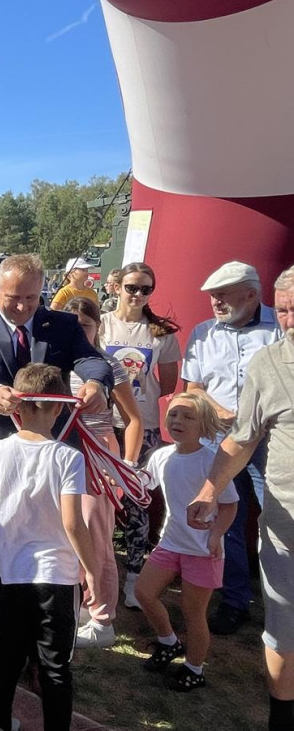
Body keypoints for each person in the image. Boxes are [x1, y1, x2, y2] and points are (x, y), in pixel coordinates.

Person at [0, 253, 112, 677]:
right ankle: (0, 640)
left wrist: (95, 381)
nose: (24, 307)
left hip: (54, 447)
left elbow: (92, 358)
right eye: (13, 298)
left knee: (56, 541)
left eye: (31, 297)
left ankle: (50, 648)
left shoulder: (60, 324)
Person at [188, 264, 294, 731]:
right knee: (284, 620)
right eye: (287, 310)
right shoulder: (268, 362)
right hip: (279, 506)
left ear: (252, 297)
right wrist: (209, 490)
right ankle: (282, 717)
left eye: (225, 295)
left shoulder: (267, 336)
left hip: (258, 462)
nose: (290, 320)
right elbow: (240, 437)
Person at [0, 363, 100, 731]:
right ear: (59, 407)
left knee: (9, 654)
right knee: (55, 665)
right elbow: (73, 522)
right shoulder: (68, 458)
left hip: (11, 574)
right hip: (57, 578)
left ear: (18, 407)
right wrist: (90, 568)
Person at [182, 261, 279, 636]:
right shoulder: (204, 334)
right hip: (219, 442)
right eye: (212, 296)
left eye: (223, 295)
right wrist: (219, 410)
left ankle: (279, 603)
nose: (215, 302)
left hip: (270, 442)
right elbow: (192, 387)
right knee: (227, 522)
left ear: (251, 295)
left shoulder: (280, 331)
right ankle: (235, 601)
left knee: (279, 520)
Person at [135, 393, 238, 691]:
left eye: (188, 416)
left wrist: (216, 536)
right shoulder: (161, 456)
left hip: (203, 551)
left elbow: (231, 505)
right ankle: (168, 642)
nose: (178, 421)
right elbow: (143, 483)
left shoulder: (212, 461)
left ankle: (194, 669)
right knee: (143, 592)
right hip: (170, 542)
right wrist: (118, 476)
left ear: (204, 424)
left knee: (193, 613)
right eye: (174, 414)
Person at [61, 296, 143, 648]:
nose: (79, 331)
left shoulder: (109, 365)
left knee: (97, 535)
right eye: (72, 325)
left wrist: (127, 466)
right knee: (67, 533)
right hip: (63, 454)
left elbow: (134, 418)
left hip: (99, 457)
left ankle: (103, 619)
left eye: (85, 325)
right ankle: (81, 602)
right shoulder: (55, 363)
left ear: (98, 327)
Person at [101, 261, 181, 609]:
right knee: (99, 497)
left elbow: (167, 382)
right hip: (102, 423)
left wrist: (137, 395)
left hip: (144, 425)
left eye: (146, 289)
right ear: (117, 287)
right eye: (132, 287)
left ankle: (134, 572)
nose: (137, 294)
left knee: (137, 501)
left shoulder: (160, 333)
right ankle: (100, 571)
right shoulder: (102, 325)